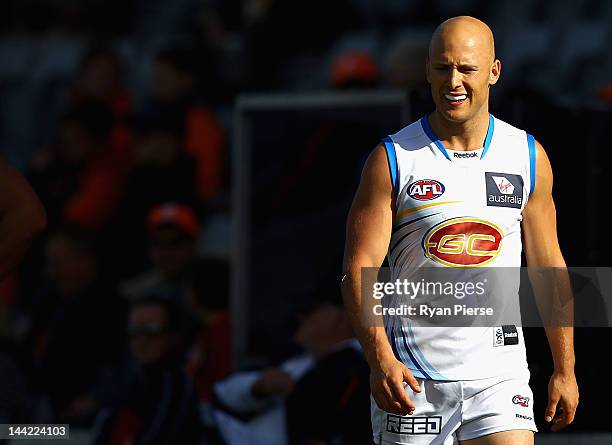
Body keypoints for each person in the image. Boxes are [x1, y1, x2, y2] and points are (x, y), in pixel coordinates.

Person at [341, 16, 578, 445]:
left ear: (493, 72)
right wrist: (380, 360)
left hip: (499, 378)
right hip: (413, 382)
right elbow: (359, 270)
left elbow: (548, 267)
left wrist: (566, 369)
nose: (454, 81)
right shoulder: (393, 158)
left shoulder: (526, 155)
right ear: (428, 71)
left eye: (467, 69)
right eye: (442, 67)